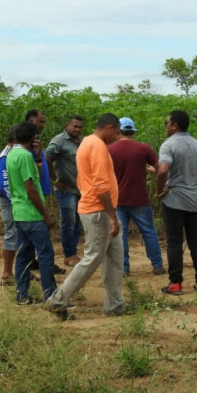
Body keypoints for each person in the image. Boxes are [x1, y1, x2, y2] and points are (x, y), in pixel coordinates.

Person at [44, 113, 133, 318]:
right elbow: (101, 186)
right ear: (110, 128)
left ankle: (115, 305)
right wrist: (112, 216)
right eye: (117, 132)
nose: (117, 137)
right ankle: (57, 301)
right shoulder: (97, 146)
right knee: (92, 257)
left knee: (114, 256)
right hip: (98, 211)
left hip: (99, 209)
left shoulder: (86, 142)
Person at [156, 110, 197, 295]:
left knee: (174, 241)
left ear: (174, 125)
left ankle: (176, 283)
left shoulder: (168, 145)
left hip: (175, 200)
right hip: (195, 200)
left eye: (167, 122)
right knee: (195, 239)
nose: (166, 125)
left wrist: (159, 191)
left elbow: (163, 170)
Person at [6, 122, 58, 305]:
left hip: (19, 213)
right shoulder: (24, 157)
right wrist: (46, 215)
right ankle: (51, 296)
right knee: (45, 255)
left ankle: (22, 294)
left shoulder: (12, 154)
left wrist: (37, 157)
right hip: (32, 214)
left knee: (24, 255)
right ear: (33, 138)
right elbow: (31, 188)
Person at [108, 117, 165, 277]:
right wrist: (159, 185)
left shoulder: (109, 150)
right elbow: (160, 169)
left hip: (118, 200)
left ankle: (124, 268)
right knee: (148, 232)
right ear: (133, 131)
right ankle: (157, 265)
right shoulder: (144, 148)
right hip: (140, 199)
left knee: (121, 235)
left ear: (118, 131)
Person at [25, 109, 66, 275]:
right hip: (32, 197)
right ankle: (42, 269)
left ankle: (34, 264)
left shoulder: (36, 142)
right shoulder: (24, 148)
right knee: (39, 236)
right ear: (31, 121)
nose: (43, 125)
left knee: (35, 236)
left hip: (39, 193)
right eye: (41, 122)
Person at [45, 115, 84, 267]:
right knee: (69, 222)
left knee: (77, 223)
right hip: (65, 190)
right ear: (67, 125)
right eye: (75, 126)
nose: (77, 129)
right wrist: (55, 180)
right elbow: (47, 158)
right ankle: (69, 254)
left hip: (79, 189)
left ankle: (72, 252)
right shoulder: (59, 140)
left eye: (80, 127)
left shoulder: (80, 142)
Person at [0, 124, 18, 286]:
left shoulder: (14, 153)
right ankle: (6, 274)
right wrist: (15, 202)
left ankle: (18, 271)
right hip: (10, 201)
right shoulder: (5, 156)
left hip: (16, 201)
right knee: (12, 233)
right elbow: (4, 184)